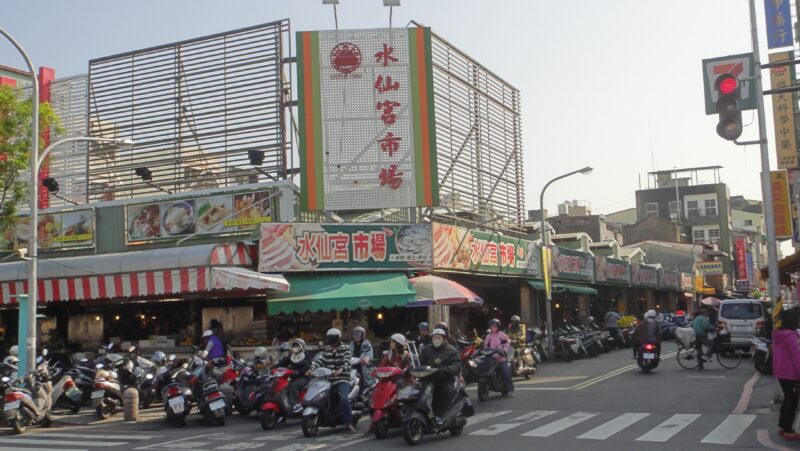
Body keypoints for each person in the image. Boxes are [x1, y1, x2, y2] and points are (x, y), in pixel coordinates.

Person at [310, 328, 355, 433]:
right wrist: (311, 369)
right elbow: (321, 361)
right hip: (328, 380)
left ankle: (349, 423)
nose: (328, 339)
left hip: (342, 379)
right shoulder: (327, 349)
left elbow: (347, 361)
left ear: (337, 338)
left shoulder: (346, 348)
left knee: (344, 399)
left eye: (330, 337)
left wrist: (340, 370)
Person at [419, 328, 461, 420]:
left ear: (444, 338)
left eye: (439, 337)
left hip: (445, 378)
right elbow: (420, 363)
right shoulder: (426, 350)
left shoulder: (451, 350)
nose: (436, 340)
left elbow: (457, 364)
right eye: (434, 338)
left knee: (444, 392)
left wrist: (448, 369)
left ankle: (442, 415)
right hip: (429, 378)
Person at [773, 308, 800, 441]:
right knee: (792, 401)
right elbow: (797, 357)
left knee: (788, 400)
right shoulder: (791, 337)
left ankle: (783, 427)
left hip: (781, 373)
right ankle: (788, 431)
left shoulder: (779, 334)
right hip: (791, 373)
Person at [275, 339, 311, 413]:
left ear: (302, 346)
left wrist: (298, 372)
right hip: (292, 376)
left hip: (304, 377)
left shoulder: (306, 355)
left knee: (293, 385)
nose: (295, 347)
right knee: (283, 386)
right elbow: (283, 362)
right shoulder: (292, 355)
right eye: (294, 345)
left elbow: (307, 367)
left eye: (297, 345)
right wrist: (274, 367)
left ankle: (295, 404)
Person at [484, 319, 515, 397]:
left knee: (506, 373)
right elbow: (486, 346)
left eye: (494, 326)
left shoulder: (502, 335)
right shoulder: (488, 336)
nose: (493, 328)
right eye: (491, 326)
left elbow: (507, 343)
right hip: (491, 358)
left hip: (501, 358)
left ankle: (511, 390)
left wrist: (504, 350)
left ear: (498, 327)